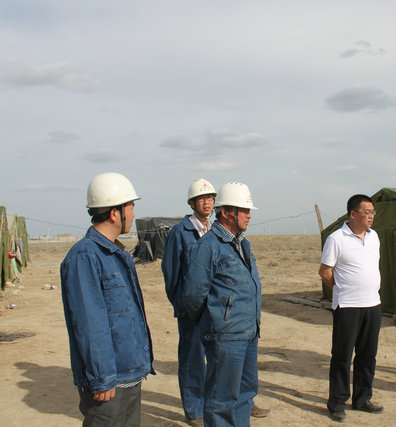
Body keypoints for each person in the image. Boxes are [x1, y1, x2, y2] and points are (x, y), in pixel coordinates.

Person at [60, 172, 154, 426]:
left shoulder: (116, 254)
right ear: (115, 213)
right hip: (109, 383)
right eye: (130, 207)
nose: (133, 215)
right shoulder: (85, 257)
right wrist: (102, 377)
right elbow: (90, 323)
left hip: (129, 374)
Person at [182, 182, 262, 427]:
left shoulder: (242, 244)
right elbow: (193, 295)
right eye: (244, 210)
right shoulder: (207, 247)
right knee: (221, 400)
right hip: (225, 337)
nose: (249, 215)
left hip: (249, 333)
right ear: (227, 212)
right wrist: (214, 322)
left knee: (245, 394)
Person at [319, 194, 384, 423]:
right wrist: (343, 288)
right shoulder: (336, 238)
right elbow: (325, 271)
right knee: (342, 356)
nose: (371, 216)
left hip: (373, 304)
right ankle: (337, 402)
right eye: (367, 212)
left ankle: (362, 399)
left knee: (368, 355)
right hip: (348, 306)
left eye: (373, 212)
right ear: (353, 214)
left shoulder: (374, 237)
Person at [162, 178, 217, 426]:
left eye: (210, 198)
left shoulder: (214, 231)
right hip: (191, 309)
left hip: (213, 307)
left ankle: (213, 404)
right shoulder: (180, 232)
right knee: (192, 359)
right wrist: (183, 303)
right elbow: (171, 273)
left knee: (216, 358)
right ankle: (194, 410)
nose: (207, 202)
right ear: (192, 203)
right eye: (201, 199)